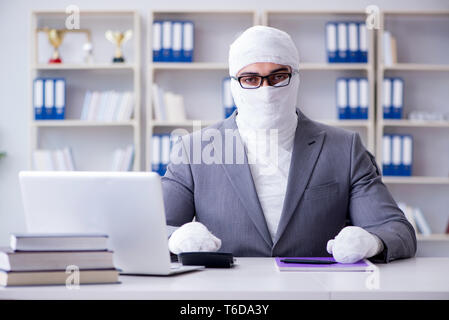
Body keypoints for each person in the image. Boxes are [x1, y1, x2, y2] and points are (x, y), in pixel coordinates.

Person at [162, 25, 416, 263]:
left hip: (316, 290)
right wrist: (176, 239)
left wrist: (372, 242)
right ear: (233, 84)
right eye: (250, 79)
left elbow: (397, 229)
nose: (266, 90)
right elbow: (152, 228)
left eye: (277, 76)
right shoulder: (194, 150)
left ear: (294, 77)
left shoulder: (344, 148)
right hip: (227, 294)